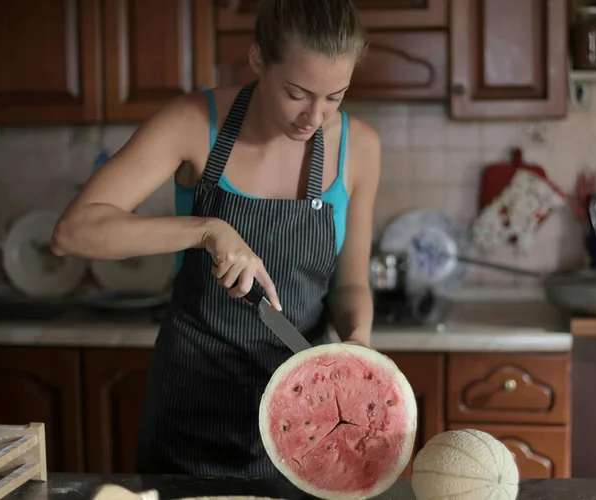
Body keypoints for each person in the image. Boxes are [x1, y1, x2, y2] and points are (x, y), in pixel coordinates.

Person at [50, 0, 381, 478]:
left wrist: (358, 341)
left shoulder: (361, 147)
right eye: (296, 92)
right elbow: (72, 233)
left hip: (307, 413)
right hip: (191, 404)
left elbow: (349, 285)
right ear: (257, 61)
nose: (315, 116)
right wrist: (207, 230)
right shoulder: (192, 122)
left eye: (335, 96)